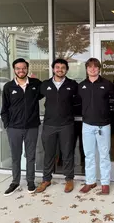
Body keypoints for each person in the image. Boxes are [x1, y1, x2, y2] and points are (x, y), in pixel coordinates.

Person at [1, 58, 42, 196]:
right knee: (15, 156)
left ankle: (30, 181)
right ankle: (15, 182)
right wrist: (7, 125)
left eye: (24, 68)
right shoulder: (8, 87)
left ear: (27, 69)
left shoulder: (36, 84)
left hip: (32, 127)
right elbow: (4, 109)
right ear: (14, 70)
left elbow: (49, 92)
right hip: (14, 128)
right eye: (18, 68)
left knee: (31, 156)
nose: (21, 70)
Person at [36, 59, 78, 193]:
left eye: (63, 67)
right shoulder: (45, 85)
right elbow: (32, 97)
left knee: (67, 153)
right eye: (57, 67)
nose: (60, 69)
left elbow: (80, 101)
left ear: (66, 70)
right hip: (49, 125)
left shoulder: (72, 85)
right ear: (53, 69)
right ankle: (46, 179)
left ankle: (69, 179)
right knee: (49, 153)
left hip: (67, 125)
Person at [78, 58, 114, 195]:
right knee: (89, 155)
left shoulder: (107, 84)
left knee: (104, 155)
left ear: (99, 69)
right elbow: (77, 103)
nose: (92, 69)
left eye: (95, 67)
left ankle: (105, 183)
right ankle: (90, 181)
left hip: (103, 125)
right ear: (87, 69)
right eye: (90, 67)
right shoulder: (81, 85)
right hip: (87, 125)